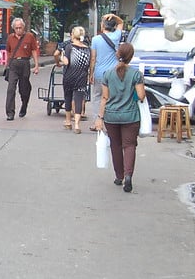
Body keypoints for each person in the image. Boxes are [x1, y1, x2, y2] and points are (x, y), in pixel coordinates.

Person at [95, 42, 145, 193]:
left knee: (115, 146)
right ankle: (128, 175)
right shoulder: (136, 74)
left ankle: (119, 176)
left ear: (117, 55)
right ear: (131, 56)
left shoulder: (108, 74)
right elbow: (141, 96)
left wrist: (100, 117)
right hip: (130, 116)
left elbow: (104, 97)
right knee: (129, 146)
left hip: (111, 116)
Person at [89, 13, 124, 131]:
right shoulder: (116, 36)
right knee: (112, 97)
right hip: (113, 73)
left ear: (102, 26)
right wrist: (113, 16)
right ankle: (111, 123)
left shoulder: (95, 39)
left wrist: (91, 74)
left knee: (97, 97)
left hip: (99, 73)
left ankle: (96, 122)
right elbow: (121, 23)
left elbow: (93, 58)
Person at [4, 17, 39, 120]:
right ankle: (10, 113)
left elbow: (34, 50)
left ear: (23, 27)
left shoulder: (29, 36)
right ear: (13, 28)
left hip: (25, 63)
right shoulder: (10, 38)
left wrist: (36, 65)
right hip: (13, 64)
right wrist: (7, 64)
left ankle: (24, 105)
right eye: (16, 28)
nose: (18, 30)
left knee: (24, 89)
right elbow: (8, 51)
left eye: (20, 28)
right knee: (11, 88)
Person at [59, 26, 91, 134]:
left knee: (68, 97)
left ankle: (68, 121)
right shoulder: (87, 49)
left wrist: (61, 57)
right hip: (81, 77)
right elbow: (88, 64)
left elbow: (67, 62)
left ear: (73, 35)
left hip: (69, 76)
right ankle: (77, 124)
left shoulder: (69, 47)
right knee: (78, 99)